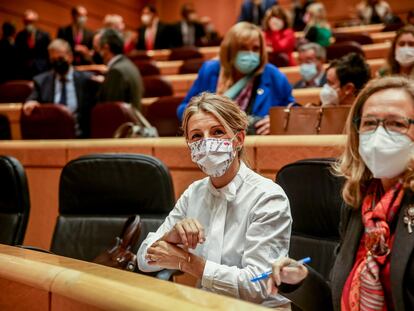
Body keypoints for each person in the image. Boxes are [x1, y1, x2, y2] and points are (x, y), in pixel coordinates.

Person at [267, 76, 414, 311]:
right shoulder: (359, 203)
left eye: (396, 124)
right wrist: (300, 279)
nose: (379, 135)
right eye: (369, 123)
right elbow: (334, 301)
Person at [138, 92, 292, 309]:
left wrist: (188, 263)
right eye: (197, 136)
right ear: (190, 146)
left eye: (217, 132)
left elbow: (259, 286)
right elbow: (143, 260)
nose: (207, 142)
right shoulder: (194, 193)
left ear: (238, 140)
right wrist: (169, 236)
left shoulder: (267, 197)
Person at [177, 22, 295, 135]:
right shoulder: (210, 70)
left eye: (255, 49)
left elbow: (293, 110)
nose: (250, 54)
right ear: (230, 49)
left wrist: (277, 121)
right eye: (243, 48)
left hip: (259, 144)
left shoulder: (272, 74)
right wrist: (204, 117)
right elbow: (183, 109)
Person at [23, 39, 96, 138]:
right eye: (53, 60)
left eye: (61, 58)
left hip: (81, 136)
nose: (57, 63)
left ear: (70, 57)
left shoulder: (86, 80)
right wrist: (31, 102)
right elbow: (32, 98)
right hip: (52, 136)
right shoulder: (42, 81)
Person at [97, 28, 143, 110]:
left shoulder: (116, 72)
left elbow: (112, 109)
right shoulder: (129, 64)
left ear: (106, 48)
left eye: (99, 49)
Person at [15, 9, 51, 79]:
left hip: (41, 69)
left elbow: (48, 53)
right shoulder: (20, 36)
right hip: (24, 71)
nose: (29, 24)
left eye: (31, 22)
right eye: (27, 22)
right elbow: (17, 55)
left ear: (35, 22)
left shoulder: (44, 35)